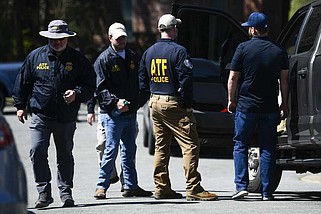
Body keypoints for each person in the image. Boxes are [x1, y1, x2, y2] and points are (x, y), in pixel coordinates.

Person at [12, 20, 96, 208]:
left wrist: (77, 94)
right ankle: (44, 193)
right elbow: (22, 81)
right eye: (53, 39)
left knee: (65, 155)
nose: (57, 42)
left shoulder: (78, 59)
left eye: (61, 39)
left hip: (66, 117)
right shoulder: (36, 57)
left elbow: (90, 84)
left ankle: (66, 193)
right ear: (48, 38)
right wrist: (20, 105)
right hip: (40, 115)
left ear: (67, 38)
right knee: (36, 150)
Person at [138, 14, 218, 201]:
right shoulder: (179, 51)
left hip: (155, 101)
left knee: (161, 146)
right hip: (173, 103)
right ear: (173, 29)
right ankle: (193, 187)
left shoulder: (149, 52)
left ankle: (161, 187)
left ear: (160, 30)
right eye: (177, 28)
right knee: (190, 145)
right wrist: (187, 105)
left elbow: (142, 80)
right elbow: (186, 80)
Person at [227, 12, 289, 201]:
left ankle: (241, 186)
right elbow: (284, 81)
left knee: (240, 145)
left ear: (253, 29)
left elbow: (233, 77)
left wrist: (231, 99)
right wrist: (284, 104)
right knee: (268, 147)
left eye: (249, 27)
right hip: (270, 106)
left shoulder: (243, 48)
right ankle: (267, 192)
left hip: (246, 106)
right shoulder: (279, 51)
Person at [93, 22, 152, 199]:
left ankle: (130, 186)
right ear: (110, 38)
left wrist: (138, 103)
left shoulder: (133, 57)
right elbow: (100, 88)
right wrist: (115, 102)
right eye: (118, 38)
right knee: (110, 149)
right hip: (112, 114)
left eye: (124, 37)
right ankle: (101, 186)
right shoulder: (103, 59)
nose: (122, 41)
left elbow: (142, 81)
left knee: (129, 150)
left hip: (130, 113)